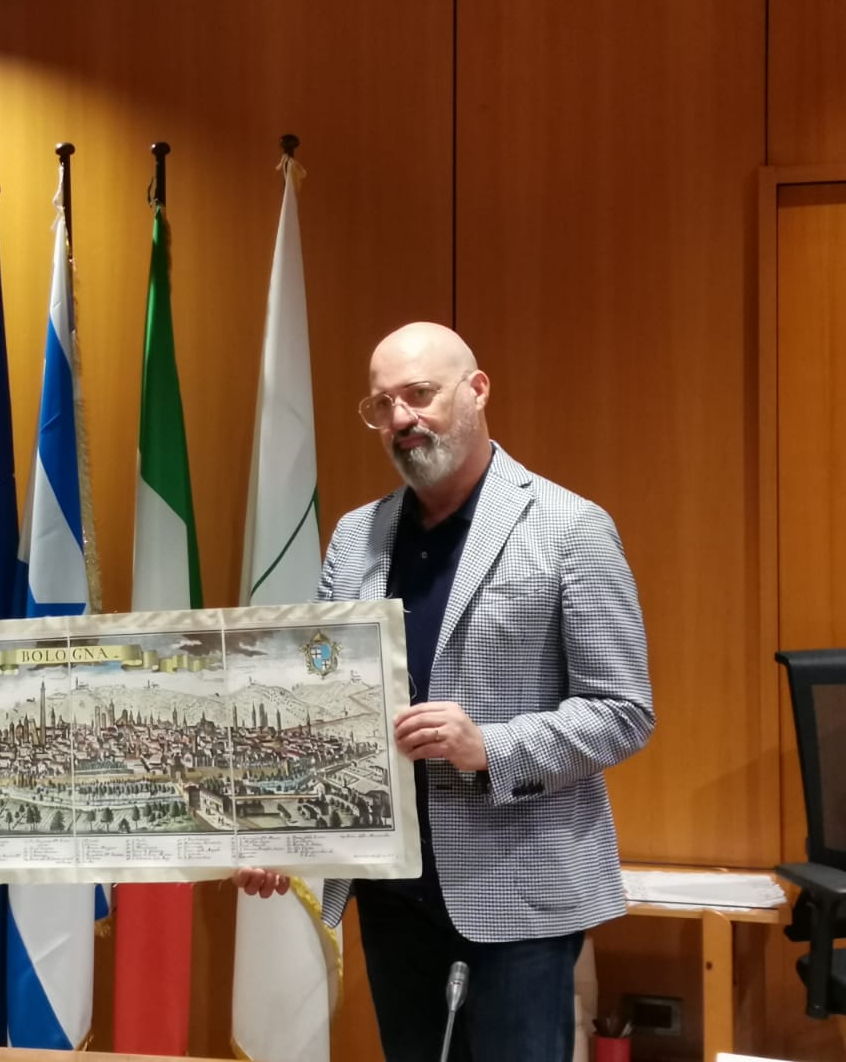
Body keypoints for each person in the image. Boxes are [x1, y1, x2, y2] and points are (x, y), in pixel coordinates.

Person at [234, 322, 653, 1061]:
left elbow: (623, 711)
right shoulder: (355, 538)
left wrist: (489, 745)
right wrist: (280, 832)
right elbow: (321, 710)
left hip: (517, 900)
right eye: (382, 405)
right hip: (392, 897)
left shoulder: (570, 528)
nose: (402, 419)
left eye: (420, 395)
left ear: (477, 390)